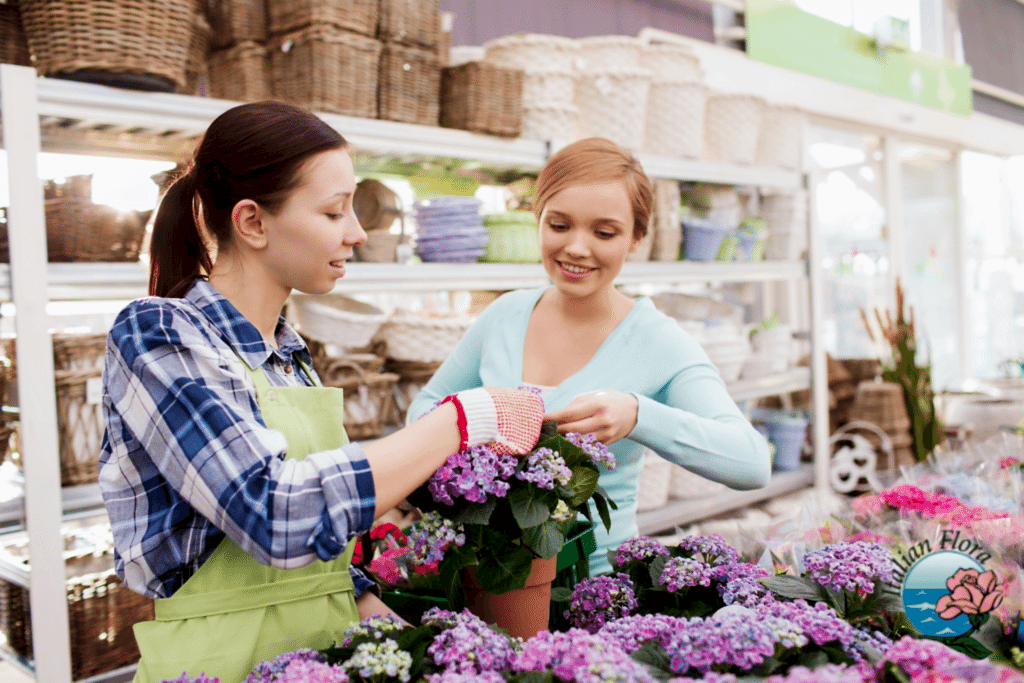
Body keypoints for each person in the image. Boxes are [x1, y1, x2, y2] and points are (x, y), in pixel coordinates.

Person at [99, 100, 544, 683]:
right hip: (219, 665)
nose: (358, 234)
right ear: (253, 222)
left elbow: (319, 570)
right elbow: (274, 515)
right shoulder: (158, 335)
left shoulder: (291, 358)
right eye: (336, 213)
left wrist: (439, 655)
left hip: (322, 656)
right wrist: (459, 421)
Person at [407, 137, 772, 576]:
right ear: (537, 222)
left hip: (593, 590)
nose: (577, 249)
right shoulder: (504, 316)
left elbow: (751, 462)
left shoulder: (657, 341)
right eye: (559, 226)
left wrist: (638, 415)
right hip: (486, 578)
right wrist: (477, 420)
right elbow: (423, 411)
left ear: (637, 238)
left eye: (604, 233)